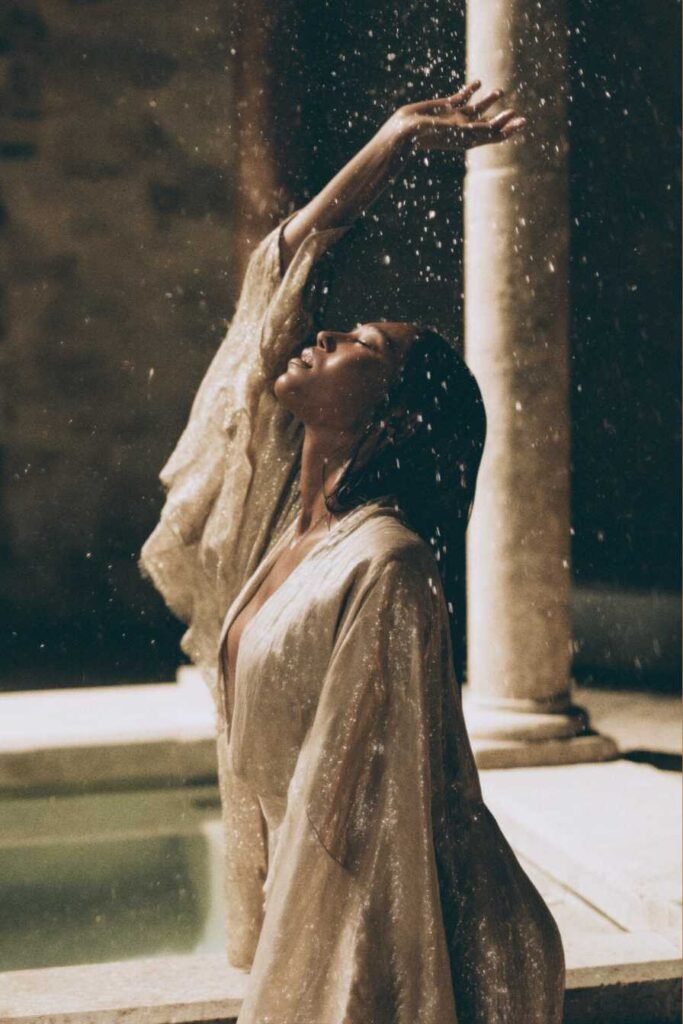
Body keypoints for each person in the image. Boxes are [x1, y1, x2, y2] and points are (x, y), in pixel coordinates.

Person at [141, 80, 566, 1024]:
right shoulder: (283, 526)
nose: (324, 334)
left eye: (359, 344)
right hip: (327, 915)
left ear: (398, 418)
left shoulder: (386, 569)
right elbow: (270, 291)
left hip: (413, 944)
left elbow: (376, 834)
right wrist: (388, 144)